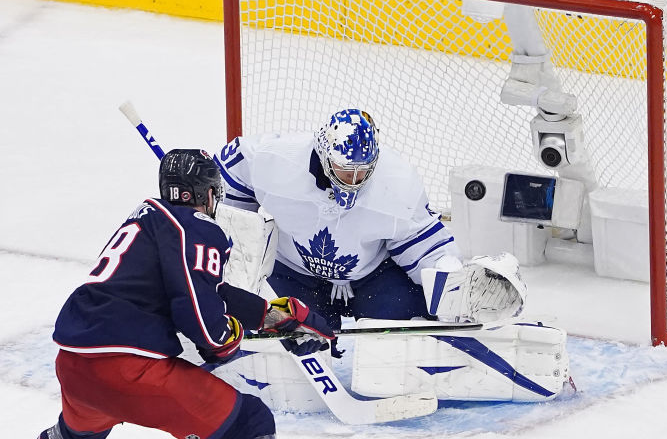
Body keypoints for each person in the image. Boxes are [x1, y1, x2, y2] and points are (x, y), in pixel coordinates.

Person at [0, 148, 344, 439]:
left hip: (77, 363)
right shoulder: (196, 227)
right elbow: (207, 330)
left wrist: (275, 315)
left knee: (74, 434)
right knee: (254, 424)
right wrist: (230, 335)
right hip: (131, 369)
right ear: (205, 193)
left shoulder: (147, 220)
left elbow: (209, 290)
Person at [215, 108, 522, 332]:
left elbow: (426, 248)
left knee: (399, 324)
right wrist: (231, 243)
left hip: (370, 278)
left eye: (364, 171)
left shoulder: (397, 182)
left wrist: (451, 289)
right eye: (346, 170)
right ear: (323, 154)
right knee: (294, 328)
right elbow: (228, 175)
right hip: (294, 272)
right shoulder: (277, 160)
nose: (355, 180)